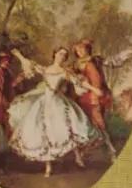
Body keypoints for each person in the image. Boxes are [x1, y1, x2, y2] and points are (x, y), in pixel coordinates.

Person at [7, 47, 102, 178]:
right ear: (55, 54)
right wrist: (19, 55)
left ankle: (77, 157)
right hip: (45, 102)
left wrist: (94, 89)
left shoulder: (65, 72)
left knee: (68, 128)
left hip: (59, 103)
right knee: (44, 132)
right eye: (60, 53)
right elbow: (30, 64)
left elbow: (78, 81)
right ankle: (48, 166)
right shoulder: (45, 69)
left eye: (64, 55)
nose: (62, 56)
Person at [71, 39, 116, 161]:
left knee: (99, 124)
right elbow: (77, 80)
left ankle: (110, 150)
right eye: (77, 50)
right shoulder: (76, 65)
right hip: (86, 96)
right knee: (89, 124)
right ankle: (108, 150)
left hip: (98, 95)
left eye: (82, 48)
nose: (80, 51)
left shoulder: (95, 60)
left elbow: (110, 63)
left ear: (87, 49)